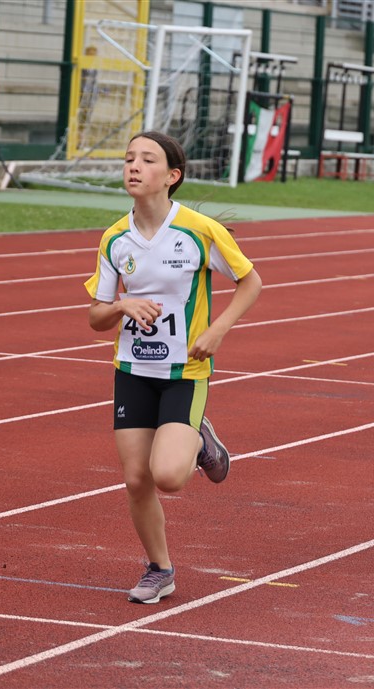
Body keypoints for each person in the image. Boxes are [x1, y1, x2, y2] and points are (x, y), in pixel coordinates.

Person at [84, 131, 262, 604]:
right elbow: (95, 317)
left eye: (147, 160)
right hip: (132, 370)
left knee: (168, 477)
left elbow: (250, 282)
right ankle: (160, 569)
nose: (134, 166)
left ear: (172, 175)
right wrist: (122, 305)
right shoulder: (114, 238)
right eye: (129, 159)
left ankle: (200, 438)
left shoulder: (198, 230)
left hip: (185, 372)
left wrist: (217, 330)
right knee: (136, 479)